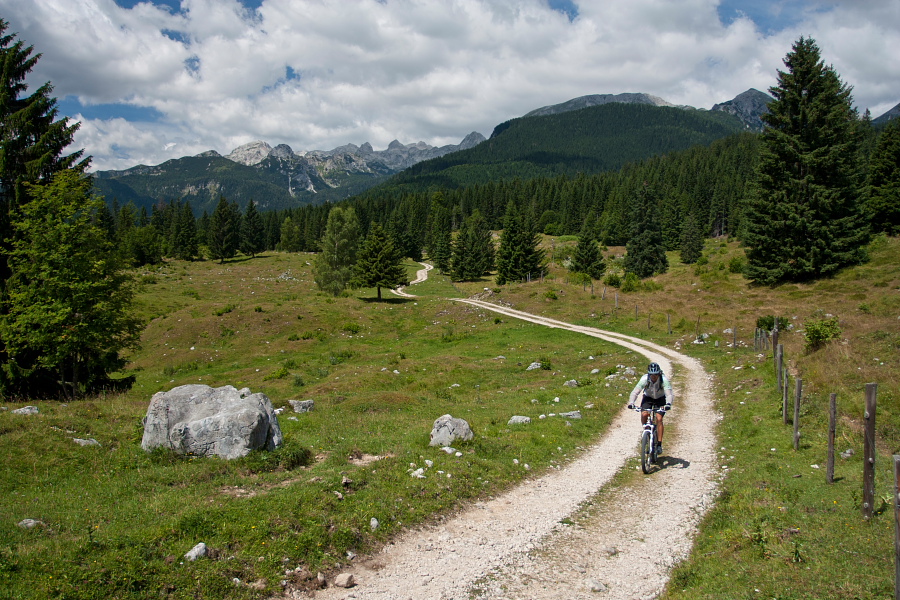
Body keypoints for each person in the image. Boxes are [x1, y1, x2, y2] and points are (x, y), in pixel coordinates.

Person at [627, 362, 673, 454]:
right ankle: (646, 432)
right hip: (648, 398)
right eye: (652, 375)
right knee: (644, 414)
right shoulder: (644, 379)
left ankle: (659, 444)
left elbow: (669, 394)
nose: (654, 377)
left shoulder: (663, 380)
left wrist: (668, 404)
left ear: (659, 373)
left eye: (655, 375)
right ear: (649, 374)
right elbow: (635, 392)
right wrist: (631, 402)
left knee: (659, 418)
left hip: (660, 399)